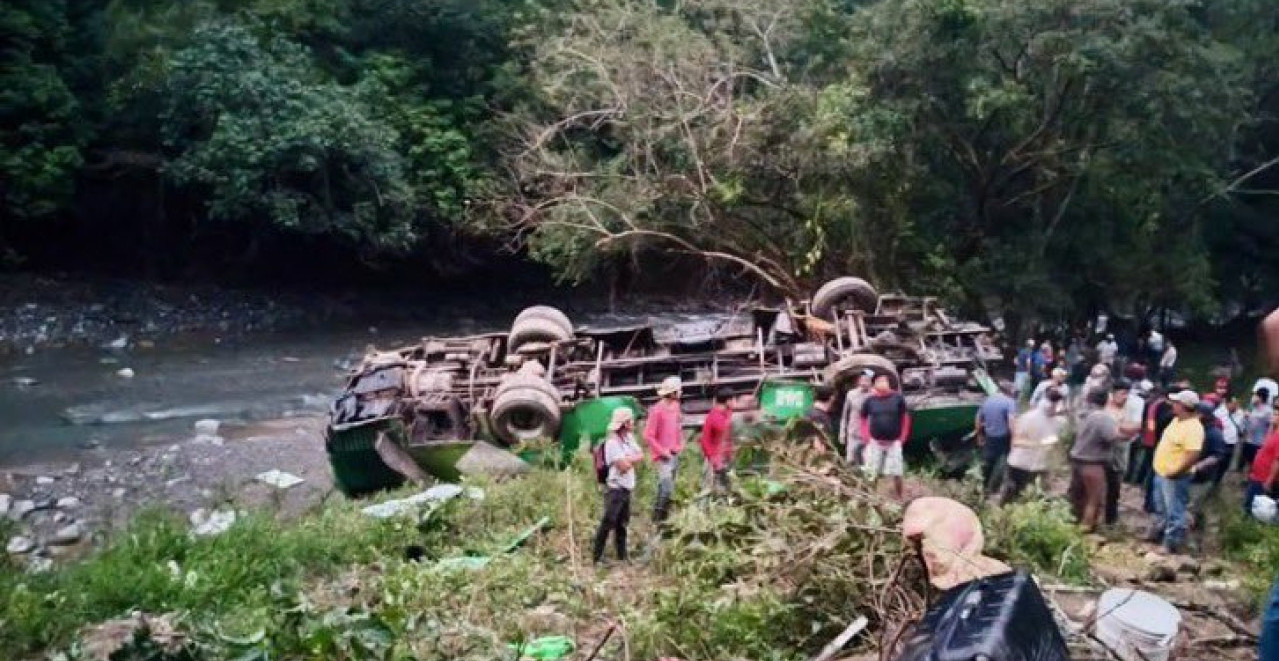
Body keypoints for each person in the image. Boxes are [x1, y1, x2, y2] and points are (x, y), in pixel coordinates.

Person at [1147, 390, 1204, 554]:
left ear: (1184, 406)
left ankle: (1171, 543)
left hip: (1175, 477)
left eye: (1176, 403)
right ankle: (1159, 535)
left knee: (1175, 511)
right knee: (1161, 507)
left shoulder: (1194, 428)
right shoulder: (1176, 420)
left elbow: (1193, 455)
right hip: (1162, 472)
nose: (1173, 405)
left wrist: (1176, 471)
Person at [593, 407, 644, 564]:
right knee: (608, 522)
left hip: (626, 487)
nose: (633, 423)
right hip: (615, 488)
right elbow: (623, 466)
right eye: (630, 420)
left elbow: (641, 455)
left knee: (623, 523)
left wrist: (629, 458)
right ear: (625, 423)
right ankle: (597, 556)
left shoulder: (628, 438)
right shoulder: (612, 443)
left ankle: (622, 555)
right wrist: (630, 459)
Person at [1001, 388, 1064, 505]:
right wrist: (1037, 444)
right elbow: (1016, 441)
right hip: (1020, 464)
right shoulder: (1028, 418)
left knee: (1031, 498)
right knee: (1011, 494)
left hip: (1039, 466)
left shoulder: (1058, 422)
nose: (1055, 409)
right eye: (1054, 405)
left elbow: (1055, 443)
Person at [1070, 389, 1120, 533]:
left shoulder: (1081, 414)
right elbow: (1110, 437)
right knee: (1094, 499)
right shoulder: (1104, 418)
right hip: (1093, 462)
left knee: (1077, 495)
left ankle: (1072, 523)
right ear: (1106, 400)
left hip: (1077, 459)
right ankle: (1086, 529)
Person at [861, 374, 911, 500]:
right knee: (872, 472)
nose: (882, 383)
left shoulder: (898, 398)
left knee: (897, 471)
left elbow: (905, 417)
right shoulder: (869, 400)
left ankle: (900, 497)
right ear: (874, 384)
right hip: (875, 442)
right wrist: (866, 436)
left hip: (894, 441)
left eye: (885, 380)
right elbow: (863, 418)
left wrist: (903, 436)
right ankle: (870, 497)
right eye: (879, 381)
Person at [644, 376, 684, 523]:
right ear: (672, 393)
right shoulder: (657, 410)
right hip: (663, 456)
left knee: (668, 489)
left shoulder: (676, 406)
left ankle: (663, 521)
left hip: (674, 453)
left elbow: (677, 427)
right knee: (666, 488)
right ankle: (657, 520)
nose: (680, 393)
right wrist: (662, 451)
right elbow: (648, 435)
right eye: (678, 391)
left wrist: (680, 445)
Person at [1105, 379, 1144, 527]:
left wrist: (1115, 427)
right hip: (1103, 447)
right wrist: (1120, 427)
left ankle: (1111, 516)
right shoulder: (1105, 400)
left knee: (1116, 480)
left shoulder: (1136, 403)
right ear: (1113, 393)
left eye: (1127, 393)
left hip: (1121, 447)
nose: (1125, 397)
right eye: (1122, 393)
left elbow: (1135, 428)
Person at [976, 381, 1016, 494]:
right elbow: (1011, 423)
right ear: (1009, 391)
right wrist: (1014, 440)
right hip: (1004, 438)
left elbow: (978, 419)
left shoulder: (987, 400)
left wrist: (979, 435)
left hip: (990, 437)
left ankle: (983, 488)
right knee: (1009, 462)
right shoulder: (1010, 402)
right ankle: (1006, 486)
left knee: (988, 464)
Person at [1245, 406, 1279, 515]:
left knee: (1254, 508)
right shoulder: (1272, 432)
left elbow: (1277, 461)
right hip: (1256, 475)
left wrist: (1269, 481)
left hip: (1263, 479)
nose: (1272, 417)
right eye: (1273, 414)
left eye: (1276, 415)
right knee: (1249, 504)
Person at [699, 389, 733, 493]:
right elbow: (705, 441)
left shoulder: (727, 414)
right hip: (714, 460)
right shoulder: (714, 417)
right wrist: (713, 460)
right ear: (728, 401)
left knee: (726, 489)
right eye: (733, 400)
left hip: (725, 458)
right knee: (710, 489)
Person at [839, 371, 874, 465]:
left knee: (868, 462)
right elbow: (845, 415)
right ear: (859, 381)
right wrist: (842, 433)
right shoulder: (851, 394)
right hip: (853, 433)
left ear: (871, 382)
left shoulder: (875, 395)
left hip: (869, 435)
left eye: (867, 380)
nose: (864, 383)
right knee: (851, 460)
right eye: (862, 380)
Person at [1244, 389, 1274, 473]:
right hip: (1249, 439)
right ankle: (1246, 477)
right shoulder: (1252, 407)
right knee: (1248, 460)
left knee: (1255, 461)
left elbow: (1271, 426)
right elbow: (1247, 422)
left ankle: (1252, 478)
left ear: (1260, 397)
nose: (1253, 397)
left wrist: (1267, 440)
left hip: (1259, 442)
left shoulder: (1268, 411)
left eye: (1255, 395)